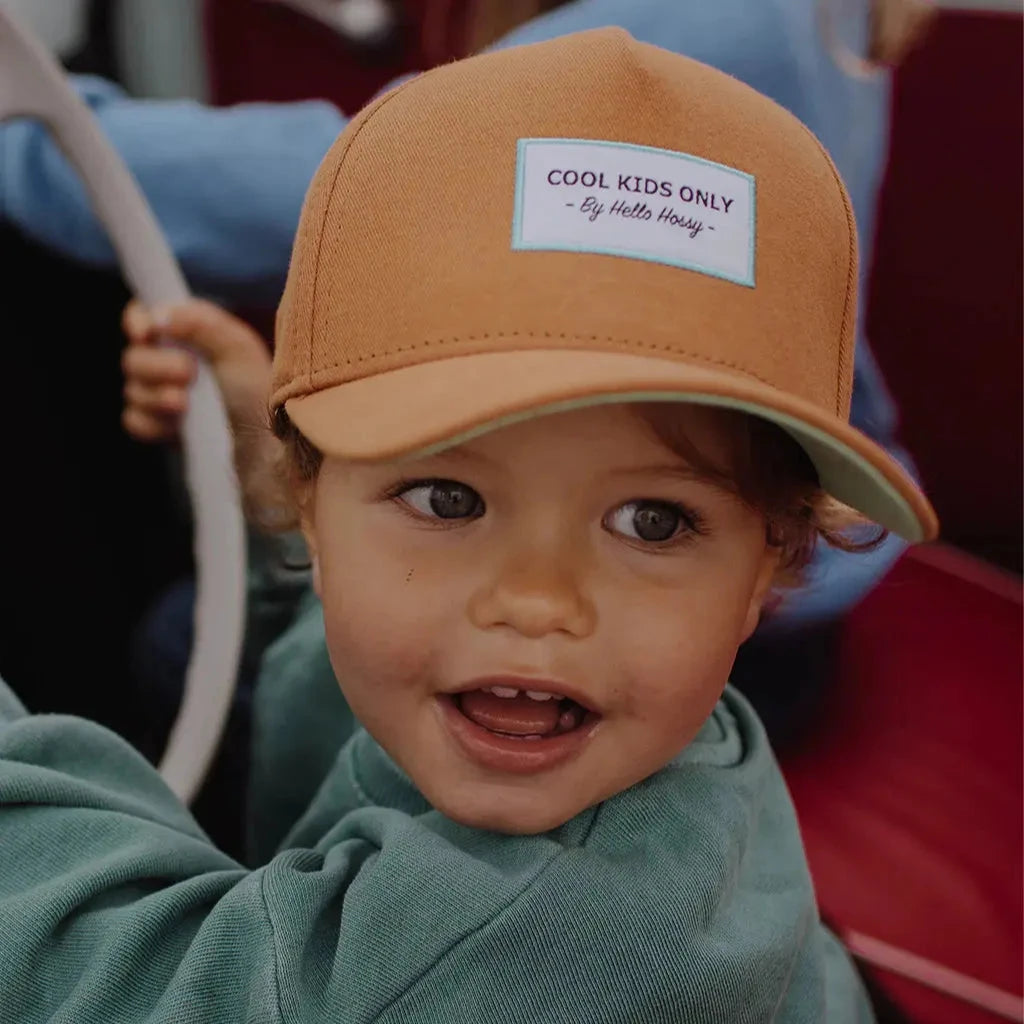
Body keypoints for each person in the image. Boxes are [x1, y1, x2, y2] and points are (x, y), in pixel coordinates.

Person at [0, 30, 938, 1021]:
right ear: (309, 501)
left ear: (770, 566)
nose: (536, 598)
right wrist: (257, 478)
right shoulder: (517, 688)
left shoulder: (573, 930)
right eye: (448, 499)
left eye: (653, 519)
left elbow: (130, 983)